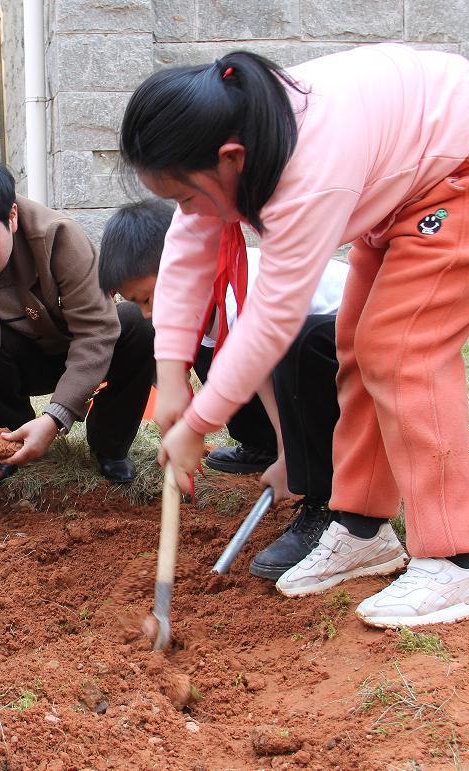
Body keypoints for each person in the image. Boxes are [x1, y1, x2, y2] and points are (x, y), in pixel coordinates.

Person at [119, 43, 469, 627]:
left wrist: (197, 425)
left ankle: (457, 560)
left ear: (231, 159)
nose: (187, 209)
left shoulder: (308, 172)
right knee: (358, 346)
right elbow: (188, 250)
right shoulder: (228, 143)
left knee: (401, 350)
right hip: (402, 189)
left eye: (187, 195)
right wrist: (171, 376)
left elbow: (270, 320)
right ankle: (363, 526)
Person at [99, 198, 347, 578]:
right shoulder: (205, 301)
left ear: (182, 266)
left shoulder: (239, 287)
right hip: (282, 351)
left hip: (340, 341)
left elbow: (263, 367)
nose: (147, 314)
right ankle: (264, 445)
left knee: (266, 359)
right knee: (213, 354)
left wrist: (291, 457)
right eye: (136, 303)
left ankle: (325, 501)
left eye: (148, 298)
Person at [0, 157, 155, 485]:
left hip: (70, 351)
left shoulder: (59, 237)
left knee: (137, 327)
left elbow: (96, 331)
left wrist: (56, 417)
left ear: (11, 216)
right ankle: (10, 441)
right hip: (3, 360)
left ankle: (110, 447)